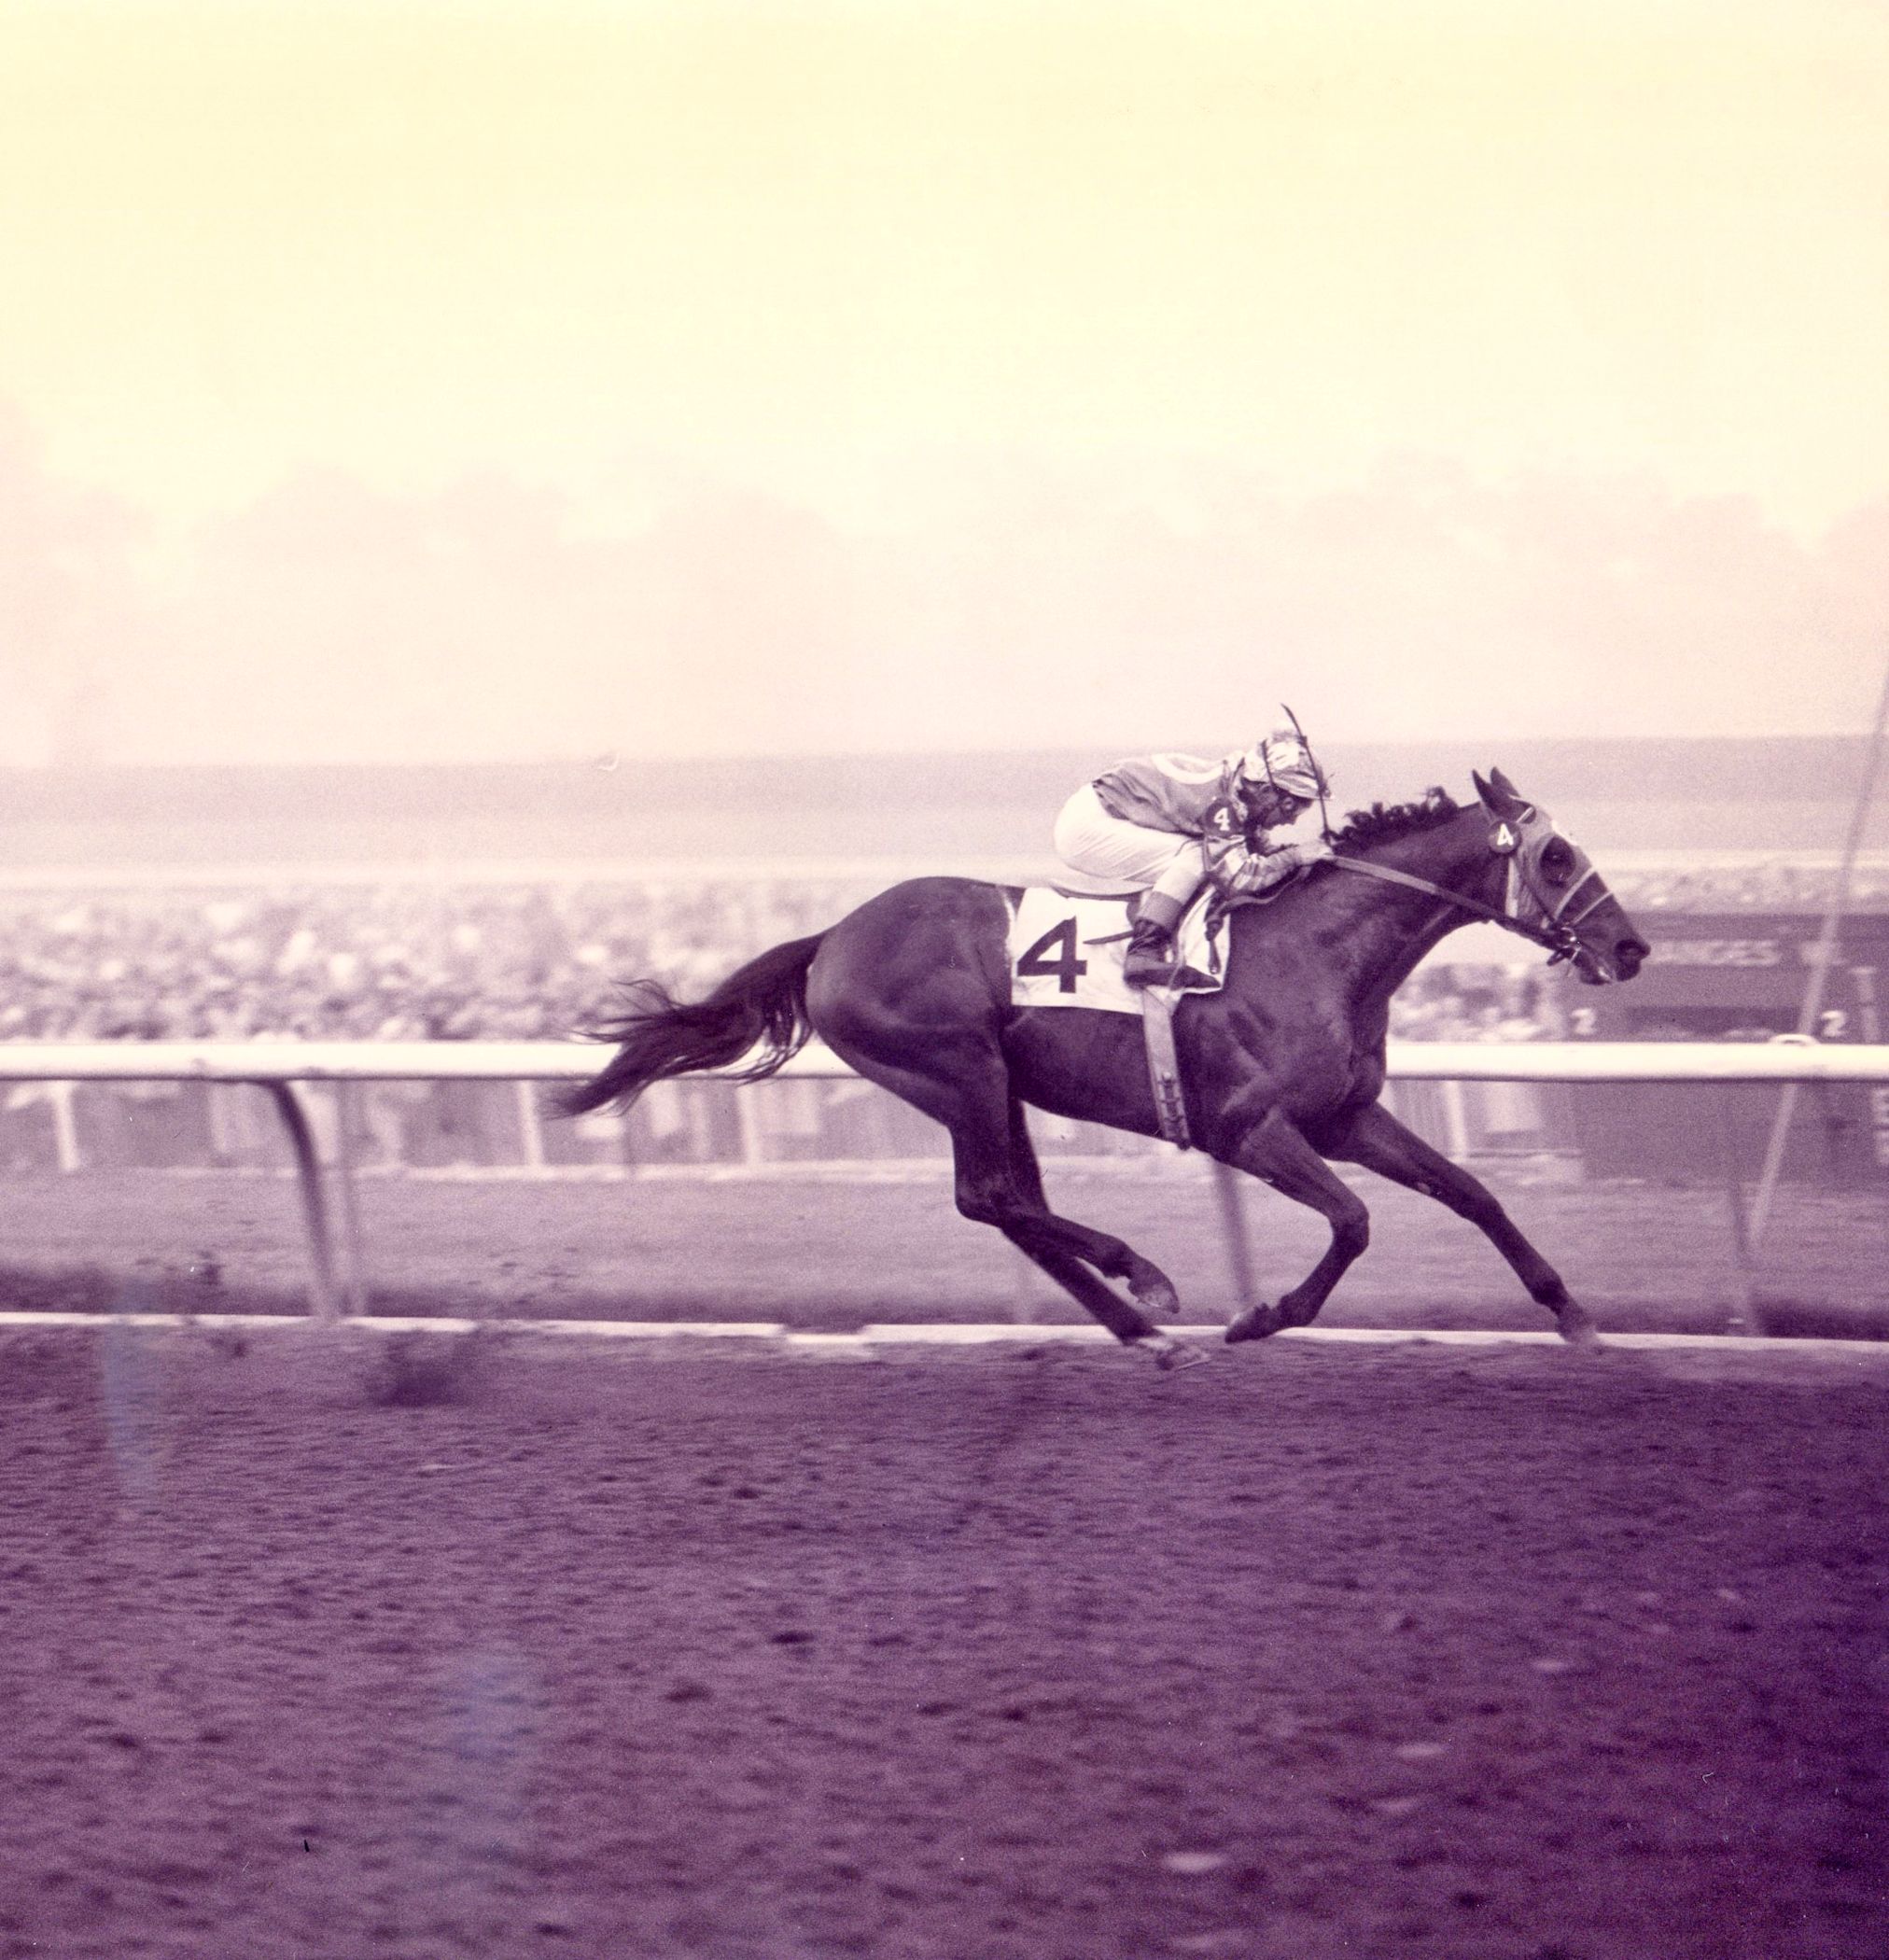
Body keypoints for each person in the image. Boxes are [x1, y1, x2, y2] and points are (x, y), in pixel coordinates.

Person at [1053, 727, 1333, 987]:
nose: (1292, 820)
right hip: (1087, 827)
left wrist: (1294, 857)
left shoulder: (1242, 788)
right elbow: (1236, 877)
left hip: (1111, 809)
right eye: (1289, 807)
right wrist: (1295, 856)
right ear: (1266, 791)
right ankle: (1142, 954)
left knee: (1199, 855)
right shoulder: (1223, 804)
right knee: (1195, 858)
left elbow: (1255, 852)